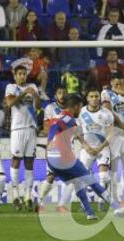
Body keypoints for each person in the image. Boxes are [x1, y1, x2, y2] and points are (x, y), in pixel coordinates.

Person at [46, 94, 124, 219]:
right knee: (91, 181)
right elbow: (76, 133)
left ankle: (89, 213)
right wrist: (85, 146)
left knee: (77, 182)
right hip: (63, 157)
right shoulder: (69, 119)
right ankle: (117, 207)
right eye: (80, 107)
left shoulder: (57, 117)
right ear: (76, 106)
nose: (80, 109)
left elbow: (53, 133)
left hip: (51, 158)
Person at [5, 65, 40, 211]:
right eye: (19, 74)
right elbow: (10, 103)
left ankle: (27, 196)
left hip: (31, 129)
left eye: (24, 74)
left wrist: (36, 95)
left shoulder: (32, 86)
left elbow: (38, 106)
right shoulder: (11, 87)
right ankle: (15, 195)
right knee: (15, 160)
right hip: (17, 129)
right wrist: (24, 93)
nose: (22, 76)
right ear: (15, 75)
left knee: (30, 162)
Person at [77, 86, 114, 211]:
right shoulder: (82, 112)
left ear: (100, 98)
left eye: (96, 96)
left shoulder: (106, 114)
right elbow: (78, 132)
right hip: (86, 148)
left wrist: (99, 148)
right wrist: (86, 146)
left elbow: (111, 134)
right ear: (87, 98)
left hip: (102, 147)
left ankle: (101, 200)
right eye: (91, 96)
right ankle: (84, 203)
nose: (94, 99)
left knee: (104, 176)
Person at [38, 85, 74, 213]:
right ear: (55, 95)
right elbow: (46, 128)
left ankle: (61, 205)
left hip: (68, 146)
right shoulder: (50, 108)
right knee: (51, 175)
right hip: (54, 145)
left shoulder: (72, 108)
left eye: (64, 92)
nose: (62, 95)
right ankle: (40, 202)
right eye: (59, 92)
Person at [101, 75, 124, 204]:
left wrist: (116, 88)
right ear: (110, 82)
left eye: (120, 82)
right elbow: (108, 111)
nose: (119, 85)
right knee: (113, 167)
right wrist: (120, 124)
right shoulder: (105, 93)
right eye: (115, 83)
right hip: (114, 133)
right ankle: (111, 198)